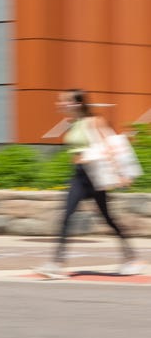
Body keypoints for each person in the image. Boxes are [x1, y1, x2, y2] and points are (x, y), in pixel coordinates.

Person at [36, 90, 144, 279]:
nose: (59, 104)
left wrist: (121, 174)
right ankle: (56, 263)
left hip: (94, 176)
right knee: (66, 216)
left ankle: (132, 259)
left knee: (108, 219)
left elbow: (112, 146)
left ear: (77, 103)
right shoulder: (73, 124)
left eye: (64, 101)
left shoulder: (94, 121)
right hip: (79, 177)